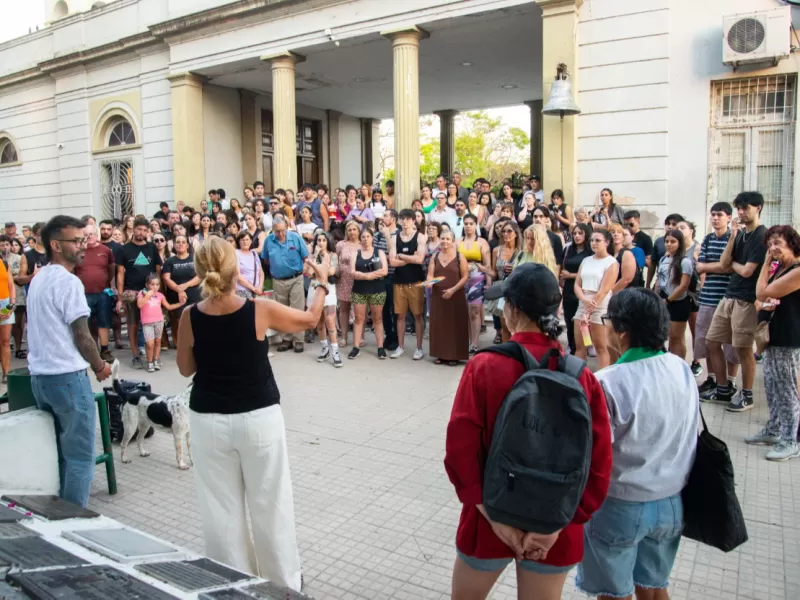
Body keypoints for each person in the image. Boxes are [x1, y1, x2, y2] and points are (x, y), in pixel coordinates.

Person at [445, 263, 612, 600]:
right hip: (555, 524)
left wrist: (494, 518)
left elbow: (460, 450)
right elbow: (600, 462)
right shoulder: (582, 376)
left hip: (490, 515)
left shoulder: (485, 366)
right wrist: (560, 525)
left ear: (512, 310)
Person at [177, 236, 327, 591]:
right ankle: (283, 587)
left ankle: (233, 588)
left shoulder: (189, 316)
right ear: (236, 271)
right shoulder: (258, 309)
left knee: (220, 511)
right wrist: (322, 283)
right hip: (258, 417)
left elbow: (185, 368)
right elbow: (311, 319)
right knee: (271, 504)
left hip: (208, 420)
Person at [577, 288, 697, 600]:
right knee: (655, 590)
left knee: (613, 593)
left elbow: (593, 452)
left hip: (620, 505)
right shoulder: (681, 368)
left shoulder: (608, 382)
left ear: (622, 331)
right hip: (671, 502)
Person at [28, 215, 112, 507]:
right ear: (55, 245)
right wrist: (100, 366)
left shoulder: (39, 279)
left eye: (83, 239)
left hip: (41, 378)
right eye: (75, 241)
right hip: (67, 378)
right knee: (79, 458)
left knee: (60, 454)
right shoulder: (68, 282)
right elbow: (83, 336)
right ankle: (72, 519)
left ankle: (60, 515)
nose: (82, 246)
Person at [705, 191, 767, 412]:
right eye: (739, 208)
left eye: (745, 208)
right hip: (729, 295)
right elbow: (723, 263)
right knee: (712, 342)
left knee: (743, 348)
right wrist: (732, 237)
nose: (741, 212)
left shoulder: (762, 236)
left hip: (747, 299)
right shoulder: (739, 234)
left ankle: (747, 395)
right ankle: (723, 389)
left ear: (758, 208)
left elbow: (748, 271)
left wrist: (733, 266)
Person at [749, 225, 800, 460]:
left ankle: (790, 440)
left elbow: (761, 292)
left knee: (786, 390)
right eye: (769, 244)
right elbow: (762, 299)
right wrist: (766, 302)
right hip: (773, 335)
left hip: (789, 338)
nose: (772, 248)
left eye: (778, 243)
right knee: (772, 385)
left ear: (793, 243)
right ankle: (773, 429)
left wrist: (766, 264)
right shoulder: (783, 268)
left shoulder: (797, 270)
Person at [696, 202, 739, 399]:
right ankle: (712, 378)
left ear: (729, 217)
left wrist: (715, 266)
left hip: (728, 297)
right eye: (712, 214)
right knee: (707, 340)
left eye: (719, 215)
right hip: (708, 297)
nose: (715, 218)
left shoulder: (735, 238)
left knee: (730, 343)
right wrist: (721, 266)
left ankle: (731, 381)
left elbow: (731, 267)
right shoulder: (707, 238)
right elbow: (700, 266)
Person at [115, 217, 162, 369]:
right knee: (133, 325)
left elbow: (157, 270)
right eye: (139, 229)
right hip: (132, 291)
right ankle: (135, 355)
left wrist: (157, 291)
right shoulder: (124, 249)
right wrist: (120, 297)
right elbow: (120, 274)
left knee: (152, 324)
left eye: (144, 230)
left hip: (150, 293)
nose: (141, 232)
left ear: (148, 232)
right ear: (133, 229)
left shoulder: (152, 248)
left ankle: (153, 357)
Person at [573, 230, 619, 369]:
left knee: (601, 347)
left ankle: (601, 379)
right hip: (583, 302)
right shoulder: (586, 260)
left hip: (600, 305)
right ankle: (579, 376)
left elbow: (604, 290)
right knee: (580, 345)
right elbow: (577, 284)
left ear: (607, 242)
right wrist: (583, 299)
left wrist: (588, 312)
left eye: (597, 240)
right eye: (592, 240)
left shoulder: (611, 262)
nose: (593, 243)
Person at [262, 215, 308, 353]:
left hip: (296, 279)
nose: (281, 233)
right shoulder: (268, 240)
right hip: (278, 280)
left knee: (297, 310)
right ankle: (286, 339)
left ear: (287, 227)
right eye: (277, 231)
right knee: (282, 312)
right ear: (273, 229)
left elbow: (305, 257)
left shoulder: (296, 238)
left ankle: (298, 340)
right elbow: (266, 260)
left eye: (283, 230)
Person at [74, 223, 116, 362]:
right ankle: (89, 351)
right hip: (83, 294)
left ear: (96, 235)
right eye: (86, 235)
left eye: (91, 234)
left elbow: (111, 269)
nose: (89, 237)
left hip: (102, 292)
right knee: (84, 323)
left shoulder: (105, 250)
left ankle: (104, 350)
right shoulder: (78, 251)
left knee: (104, 321)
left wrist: (107, 284)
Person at [388, 209, 427, 360]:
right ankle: (401, 346)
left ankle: (419, 348)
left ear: (413, 221)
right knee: (400, 315)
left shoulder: (420, 237)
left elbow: (420, 259)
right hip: (399, 281)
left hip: (415, 281)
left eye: (408, 219)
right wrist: (411, 258)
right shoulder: (394, 238)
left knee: (417, 315)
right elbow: (392, 262)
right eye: (402, 219)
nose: (405, 222)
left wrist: (401, 256)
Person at [429, 230, 469, 365]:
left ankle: (454, 355)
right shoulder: (434, 256)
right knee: (440, 324)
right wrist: (429, 283)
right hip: (438, 296)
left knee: (455, 325)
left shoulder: (459, 257)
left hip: (456, 295)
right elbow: (430, 275)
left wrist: (453, 290)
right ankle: (441, 354)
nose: (444, 241)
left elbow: (465, 277)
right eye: (442, 238)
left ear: (453, 241)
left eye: (447, 239)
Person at [349, 226, 388, 359]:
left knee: (377, 319)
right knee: (359, 319)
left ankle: (380, 347)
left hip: (377, 290)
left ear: (372, 238)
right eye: (363, 237)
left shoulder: (379, 252)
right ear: (360, 239)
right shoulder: (356, 253)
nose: (365, 239)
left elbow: (384, 271)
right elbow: (352, 272)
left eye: (368, 237)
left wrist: (368, 275)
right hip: (359, 290)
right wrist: (367, 276)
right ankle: (356, 347)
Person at [655, 228, 693, 359]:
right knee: (665, 335)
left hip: (678, 302)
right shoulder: (663, 259)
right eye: (667, 241)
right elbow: (659, 280)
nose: (669, 244)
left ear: (679, 243)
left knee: (676, 337)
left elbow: (683, 285)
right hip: (662, 300)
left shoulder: (685, 261)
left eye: (673, 241)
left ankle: (679, 364)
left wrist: (668, 300)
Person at [137, 273, 184, 372]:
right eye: (152, 284)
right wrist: (147, 296)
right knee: (150, 344)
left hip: (159, 321)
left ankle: (156, 360)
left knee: (158, 341)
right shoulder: (142, 293)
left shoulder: (160, 295)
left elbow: (168, 307)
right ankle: (149, 362)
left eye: (157, 284)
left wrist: (180, 304)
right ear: (147, 285)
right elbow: (140, 305)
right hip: (147, 323)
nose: (155, 287)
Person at [307, 230, 341, 367]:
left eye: (324, 240)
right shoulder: (312, 256)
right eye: (319, 240)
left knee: (330, 321)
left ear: (328, 242)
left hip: (328, 289)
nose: (321, 243)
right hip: (314, 289)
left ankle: (335, 351)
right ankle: (324, 348)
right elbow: (309, 272)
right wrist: (316, 256)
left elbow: (331, 272)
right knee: (319, 321)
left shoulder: (332, 255)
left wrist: (318, 269)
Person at [459, 214, 491, 354]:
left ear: (476, 225)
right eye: (466, 223)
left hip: (477, 280)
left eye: (471, 223)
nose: (468, 226)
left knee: (475, 311)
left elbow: (487, 265)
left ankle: (475, 343)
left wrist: (488, 283)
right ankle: (468, 340)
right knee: (465, 312)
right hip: (462, 280)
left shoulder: (482, 242)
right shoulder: (457, 242)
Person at [561, 223, 594, 355]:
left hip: (585, 289)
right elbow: (562, 266)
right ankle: (572, 345)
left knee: (584, 320)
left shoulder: (591, 251)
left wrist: (571, 275)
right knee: (569, 319)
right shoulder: (568, 249)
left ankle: (587, 344)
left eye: (580, 233)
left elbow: (590, 272)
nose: (577, 236)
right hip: (569, 289)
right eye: (574, 233)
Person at [162, 234, 200, 344]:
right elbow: (166, 278)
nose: (180, 244)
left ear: (187, 245)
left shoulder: (195, 259)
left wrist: (186, 285)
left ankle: (195, 344)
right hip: (176, 298)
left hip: (195, 296)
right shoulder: (169, 261)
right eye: (178, 242)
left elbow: (200, 276)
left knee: (195, 321)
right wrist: (179, 290)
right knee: (178, 322)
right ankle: (179, 345)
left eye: (183, 242)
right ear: (174, 245)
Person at [491, 220, 522, 343]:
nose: (505, 234)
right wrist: (485, 271)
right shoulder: (496, 250)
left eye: (509, 231)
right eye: (503, 231)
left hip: (518, 290)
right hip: (502, 290)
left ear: (516, 233)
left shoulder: (522, 251)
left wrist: (515, 270)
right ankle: (507, 351)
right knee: (505, 326)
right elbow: (494, 273)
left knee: (518, 327)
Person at [374, 210, 399, 352]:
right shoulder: (378, 235)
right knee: (383, 310)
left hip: (394, 276)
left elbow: (392, 254)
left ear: (393, 219)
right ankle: (388, 336)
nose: (383, 218)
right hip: (380, 277)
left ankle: (396, 338)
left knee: (394, 309)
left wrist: (387, 235)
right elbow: (375, 254)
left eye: (386, 216)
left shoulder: (398, 234)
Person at [336, 221, 360, 348]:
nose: (352, 232)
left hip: (359, 280)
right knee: (344, 309)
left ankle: (360, 337)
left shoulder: (363, 243)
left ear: (358, 231)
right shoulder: (341, 244)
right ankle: (344, 337)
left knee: (359, 310)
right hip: (343, 280)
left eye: (354, 229)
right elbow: (336, 260)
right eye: (349, 230)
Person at [647, 213, 683, 289]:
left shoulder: (685, 241)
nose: (670, 226)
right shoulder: (659, 241)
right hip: (661, 281)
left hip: (677, 284)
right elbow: (653, 264)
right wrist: (648, 284)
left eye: (674, 224)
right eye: (668, 224)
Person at [235, 231, 265, 299]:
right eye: (242, 240)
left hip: (257, 290)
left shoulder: (254, 254)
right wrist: (253, 289)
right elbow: (238, 275)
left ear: (251, 241)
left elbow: (261, 273)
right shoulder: (236, 253)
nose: (245, 242)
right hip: (242, 291)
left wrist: (260, 286)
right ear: (239, 241)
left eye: (247, 239)